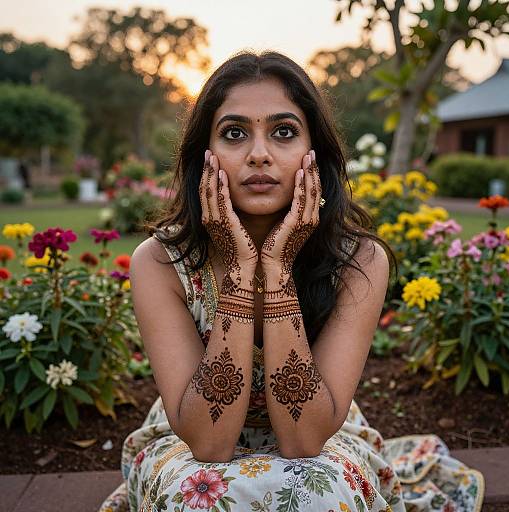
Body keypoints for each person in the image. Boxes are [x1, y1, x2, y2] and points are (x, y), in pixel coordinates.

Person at [99, 51, 484, 512]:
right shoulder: (160, 262)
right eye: (234, 133)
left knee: (322, 490)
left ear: (313, 153)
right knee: (197, 495)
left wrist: (277, 268)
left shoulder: (359, 260)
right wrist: (243, 270)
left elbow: (303, 440)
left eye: (283, 132)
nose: (259, 154)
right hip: (190, 437)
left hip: (319, 432)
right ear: (205, 156)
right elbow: (210, 444)